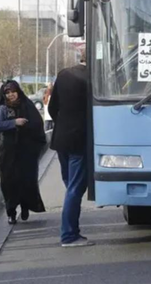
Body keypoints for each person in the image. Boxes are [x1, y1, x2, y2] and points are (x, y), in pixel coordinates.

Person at [48, 48, 93, 248]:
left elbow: (52, 107)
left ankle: (71, 228)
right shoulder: (93, 78)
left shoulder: (63, 74)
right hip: (79, 139)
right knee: (75, 188)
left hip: (61, 138)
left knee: (70, 185)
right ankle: (69, 234)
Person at [0, 81, 46, 225]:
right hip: (9, 152)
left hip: (26, 151)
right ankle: (11, 211)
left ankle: (25, 206)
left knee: (26, 180)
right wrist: (14, 123)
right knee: (9, 181)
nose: (11, 95)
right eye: (7, 93)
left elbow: (37, 124)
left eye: (13, 92)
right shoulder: (3, 108)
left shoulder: (27, 105)